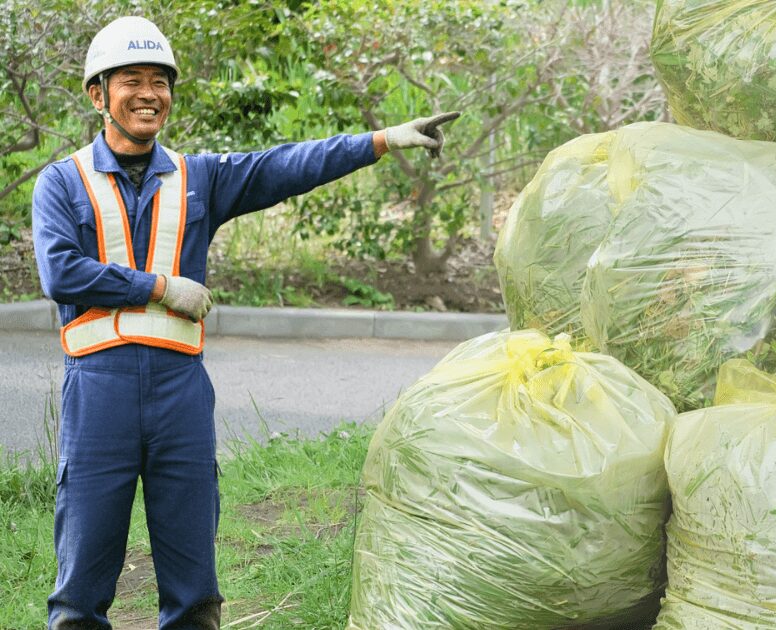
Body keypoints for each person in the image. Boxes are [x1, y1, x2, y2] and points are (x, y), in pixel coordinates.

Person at [31, 16, 459, 629]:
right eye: (132, 81)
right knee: (82, 581)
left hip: (180, 392)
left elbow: (287, 165)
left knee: (193, 582)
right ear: (98, 95)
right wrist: (159, 287)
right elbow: (62, 273)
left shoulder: (198, 177)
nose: (150, 94)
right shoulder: (61, 182)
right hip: (98, 391)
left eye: (160, 82)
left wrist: (384, 138)